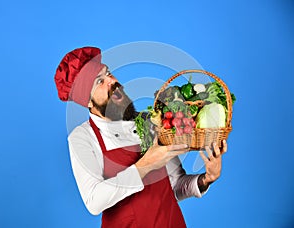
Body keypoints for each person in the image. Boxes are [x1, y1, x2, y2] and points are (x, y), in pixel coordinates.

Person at [54, 46, 227, 228]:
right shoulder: (83, 137)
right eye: (99, 81)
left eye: (109, 73)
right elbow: (94, 201)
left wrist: (207, 178)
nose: (112, 81)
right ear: (87, 101)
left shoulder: (149, 122)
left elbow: (175, 186)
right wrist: (147, 164)